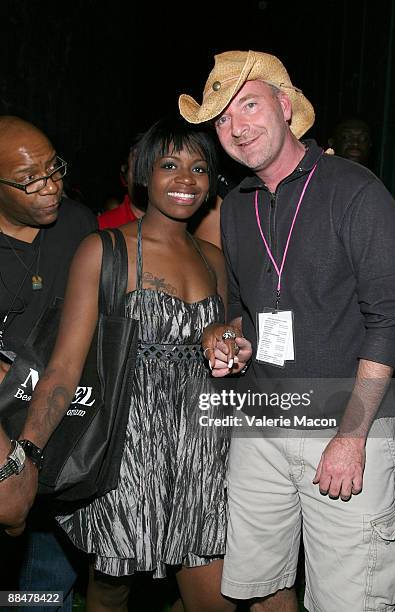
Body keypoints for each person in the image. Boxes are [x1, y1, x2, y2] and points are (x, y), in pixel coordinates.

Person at [179, 50, 395, 612]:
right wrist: (230, 339)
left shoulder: (354, 190)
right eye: (221, 118)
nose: (236, 127)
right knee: (258, 588)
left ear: (285, 107)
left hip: (343, 425)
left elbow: (390, 318)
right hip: (261, 425)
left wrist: (352, 437)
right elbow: (246, 310)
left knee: (349, 599)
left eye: (249, 106)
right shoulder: (235, 206)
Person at [17, 116, 236, 612]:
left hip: (202, 453)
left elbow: (227, 350)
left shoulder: (214, 260)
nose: (186, 179)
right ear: (143, 173)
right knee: (112, 590)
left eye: (199, 167)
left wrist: (225, 343)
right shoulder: (103, 250)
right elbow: (64, 367)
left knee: (216, 598)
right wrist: (26, 454)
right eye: (170, 165)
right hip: (125, 451)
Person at [0, 115, 97, 608]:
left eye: (53, 168)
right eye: (28, 179)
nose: (50, 186)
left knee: (43, 585)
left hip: (60, 416)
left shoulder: (78, 224)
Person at [98, 138, 146, 229]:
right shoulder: (104, 227)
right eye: (138, 171)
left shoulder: (179, 227)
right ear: (125, 177)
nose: (145, 181)